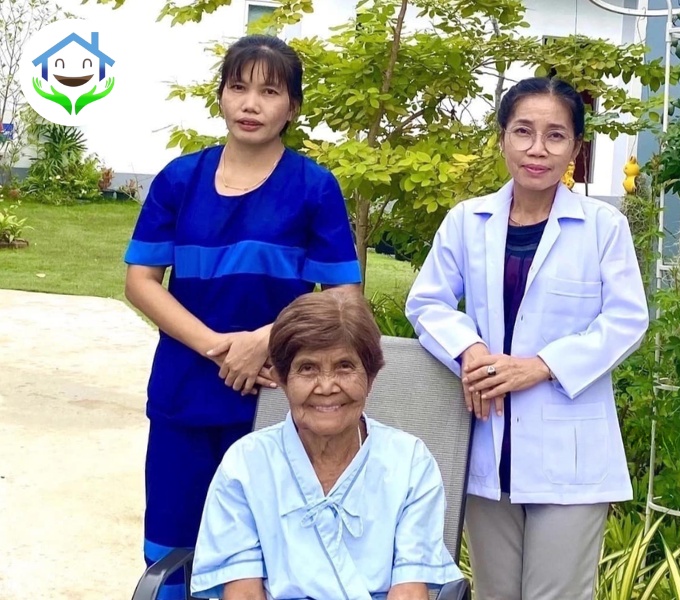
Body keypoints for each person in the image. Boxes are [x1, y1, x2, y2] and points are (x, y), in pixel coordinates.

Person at [123, 35, 361, 599]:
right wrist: (219, 346)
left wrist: (265, 341)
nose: (251, 104)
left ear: (293, 107)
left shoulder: (313, 187)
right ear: (222, 97)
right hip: (184, 395)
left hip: (277, 399)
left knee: (268, 557)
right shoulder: (179, 180)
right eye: (238, 88)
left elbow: (345, 296)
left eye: (270, 92)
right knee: (173, 553)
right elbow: (140, 282)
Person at [405, 76, 649, 599]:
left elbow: (626, 320)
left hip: (570, 452)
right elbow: (427, 302)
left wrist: (540, 366)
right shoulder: (467, 221)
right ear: (502, 139)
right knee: (496, 593)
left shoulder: (603, 227)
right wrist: (470, 352)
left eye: (555, 135)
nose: (537, 149)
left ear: (576, 149)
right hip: (488, 442)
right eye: (523, 131)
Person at [190, 289, 463, 600]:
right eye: (307, 368)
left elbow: (409, 593)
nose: (327, 386)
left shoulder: (410, 462)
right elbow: (244, 594)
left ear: (371, 378)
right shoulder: (244, 464)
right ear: (282, 380)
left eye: (345, 366)